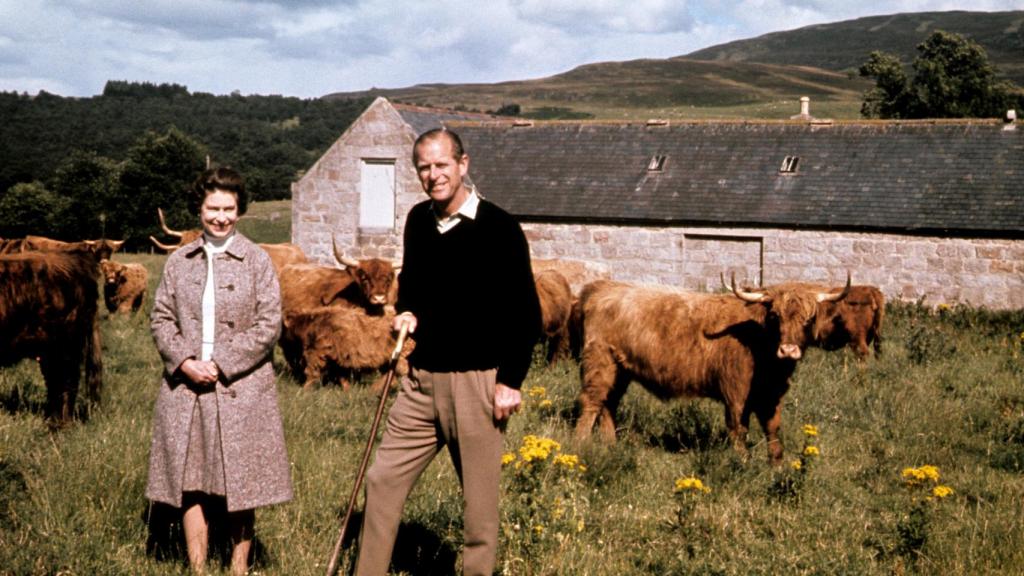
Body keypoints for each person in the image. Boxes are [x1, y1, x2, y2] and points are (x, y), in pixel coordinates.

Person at [354, 128, 542, 576]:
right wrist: (407, 313)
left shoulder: (500, 228)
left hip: (477, 383)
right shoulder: (419, 221)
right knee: (381, 481)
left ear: (463, 165)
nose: (433, 175)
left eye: (442, 165)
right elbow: (415, 288)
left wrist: (510, 381)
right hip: (419, 383)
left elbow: (526, 315)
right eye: (424, 167)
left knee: (478, 512)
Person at [146, 166, 292, 575]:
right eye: (214, 208)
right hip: (186, 389)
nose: (221, 217)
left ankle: (238, 565)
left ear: (240, 210)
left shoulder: (257, 261)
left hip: (241, 388)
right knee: (190, 481)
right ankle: (196, 566)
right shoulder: (179, 262)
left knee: (240, 482)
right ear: (200, 209)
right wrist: (184, 363)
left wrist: (223, 364)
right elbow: (161, 318)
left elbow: (269, 325)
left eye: (229, 208)